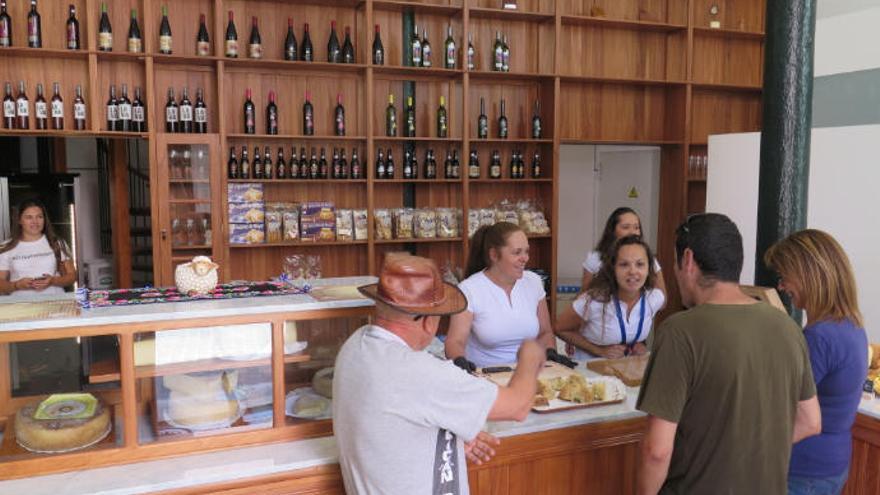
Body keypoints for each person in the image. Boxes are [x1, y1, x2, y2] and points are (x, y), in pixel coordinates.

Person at [636, 213, 821, 494]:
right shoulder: (788, 327)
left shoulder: (680, 331)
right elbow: (810, 422)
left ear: (687, 261)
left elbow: (657, 451)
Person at [333, 253, 545, 494]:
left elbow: (389, 426)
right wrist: (530, 355)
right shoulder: (419, 372)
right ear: (428, 322)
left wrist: (448, 443)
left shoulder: (354, 346)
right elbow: (517, 407)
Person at [765, 229, 868, 495]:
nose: (781, 286)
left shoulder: (819, 337)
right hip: (833, 464)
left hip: (803, 469)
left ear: (806, 274)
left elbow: (787, 407)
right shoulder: (852, 325)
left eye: (784, 276)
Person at [445, 222, 566, 370]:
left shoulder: (533, 281)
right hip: (485, 376)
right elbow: (455, 341)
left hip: (527, 373)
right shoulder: (469, 289)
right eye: (517, 252)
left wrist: (550, 351)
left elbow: (545, 332)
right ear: (494, 255)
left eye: (526, 251)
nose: (525, 258)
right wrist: (460, 361)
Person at [555, 235, 665, 360]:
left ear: (649, 268)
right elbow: (559, 328)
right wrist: (599, 351)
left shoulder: (654, 298)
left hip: (627, 370)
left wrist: (636, 345)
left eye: (640, 264)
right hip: (590, 370)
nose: (633, 271)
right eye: (624, 264)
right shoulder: (594, 300)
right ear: (613, 269)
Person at [582, 207, 666, 295]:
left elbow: (662, 299)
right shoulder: (595, 258)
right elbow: (584, 296)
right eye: (626, 227)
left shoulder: (648, 258)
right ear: (612, 231)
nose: (632, 232)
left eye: (636, 227)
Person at [0, 199, 76, 295]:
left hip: (55, 303)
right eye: (29, 217)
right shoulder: (7, 247)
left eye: (39, 217)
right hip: (20, 305)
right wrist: (17, 285)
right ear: (19, 220)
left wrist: (52, 281)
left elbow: (72, 277)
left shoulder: (57, 243)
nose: (35, 221)